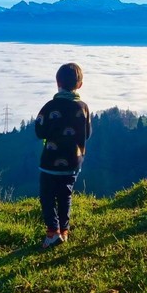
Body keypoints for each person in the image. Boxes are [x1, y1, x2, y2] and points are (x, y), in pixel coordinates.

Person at [34, 62, 92, 248]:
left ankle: (52, 232)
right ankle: (64, 231)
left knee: (47, 196)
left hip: (50, 162)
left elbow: (40, 131)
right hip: (73, 162)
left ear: (57, 82)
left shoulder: (50, 106)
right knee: (65, 195)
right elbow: (88, 133)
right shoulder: (83, 107)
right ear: (80, 85)